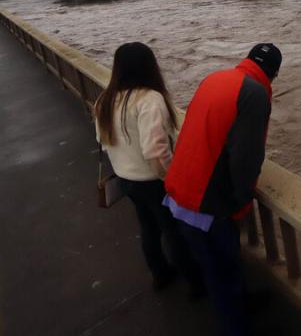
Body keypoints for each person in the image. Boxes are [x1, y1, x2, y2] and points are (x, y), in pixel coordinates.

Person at [164, 43, 282, 336]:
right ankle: (238, 328)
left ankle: (241, 304)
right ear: (275, 74)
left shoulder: (215, 78)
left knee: (216, 269)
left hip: (179, 188)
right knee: (222, 274)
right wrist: (241, 202)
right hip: (206, 204)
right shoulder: (255, 94)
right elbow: (246, 157)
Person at [94, 42, 203, 296]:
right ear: (149, 66)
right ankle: (195, 284)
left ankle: (160, 273)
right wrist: (172, 179)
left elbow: (103, 140)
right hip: (154, 181)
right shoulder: (150, 100)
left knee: (147, 226)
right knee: (173, 231)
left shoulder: (105, 99)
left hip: (125, 178)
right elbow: (155, 151)